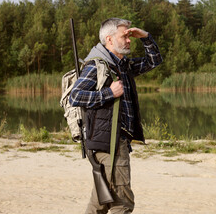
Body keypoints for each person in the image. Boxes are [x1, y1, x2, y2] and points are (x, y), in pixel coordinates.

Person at [69, 18, 163, 214]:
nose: (129, 40)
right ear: (109, 39)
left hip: (115, 141)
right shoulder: (97, 66)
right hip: (109, 142)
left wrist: (145, 37)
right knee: (122, 203)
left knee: (100, 202)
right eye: (124, 36)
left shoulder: (122, 65)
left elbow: (154, 61)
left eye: (129, 36)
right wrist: (109, 93)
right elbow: (75, 96)